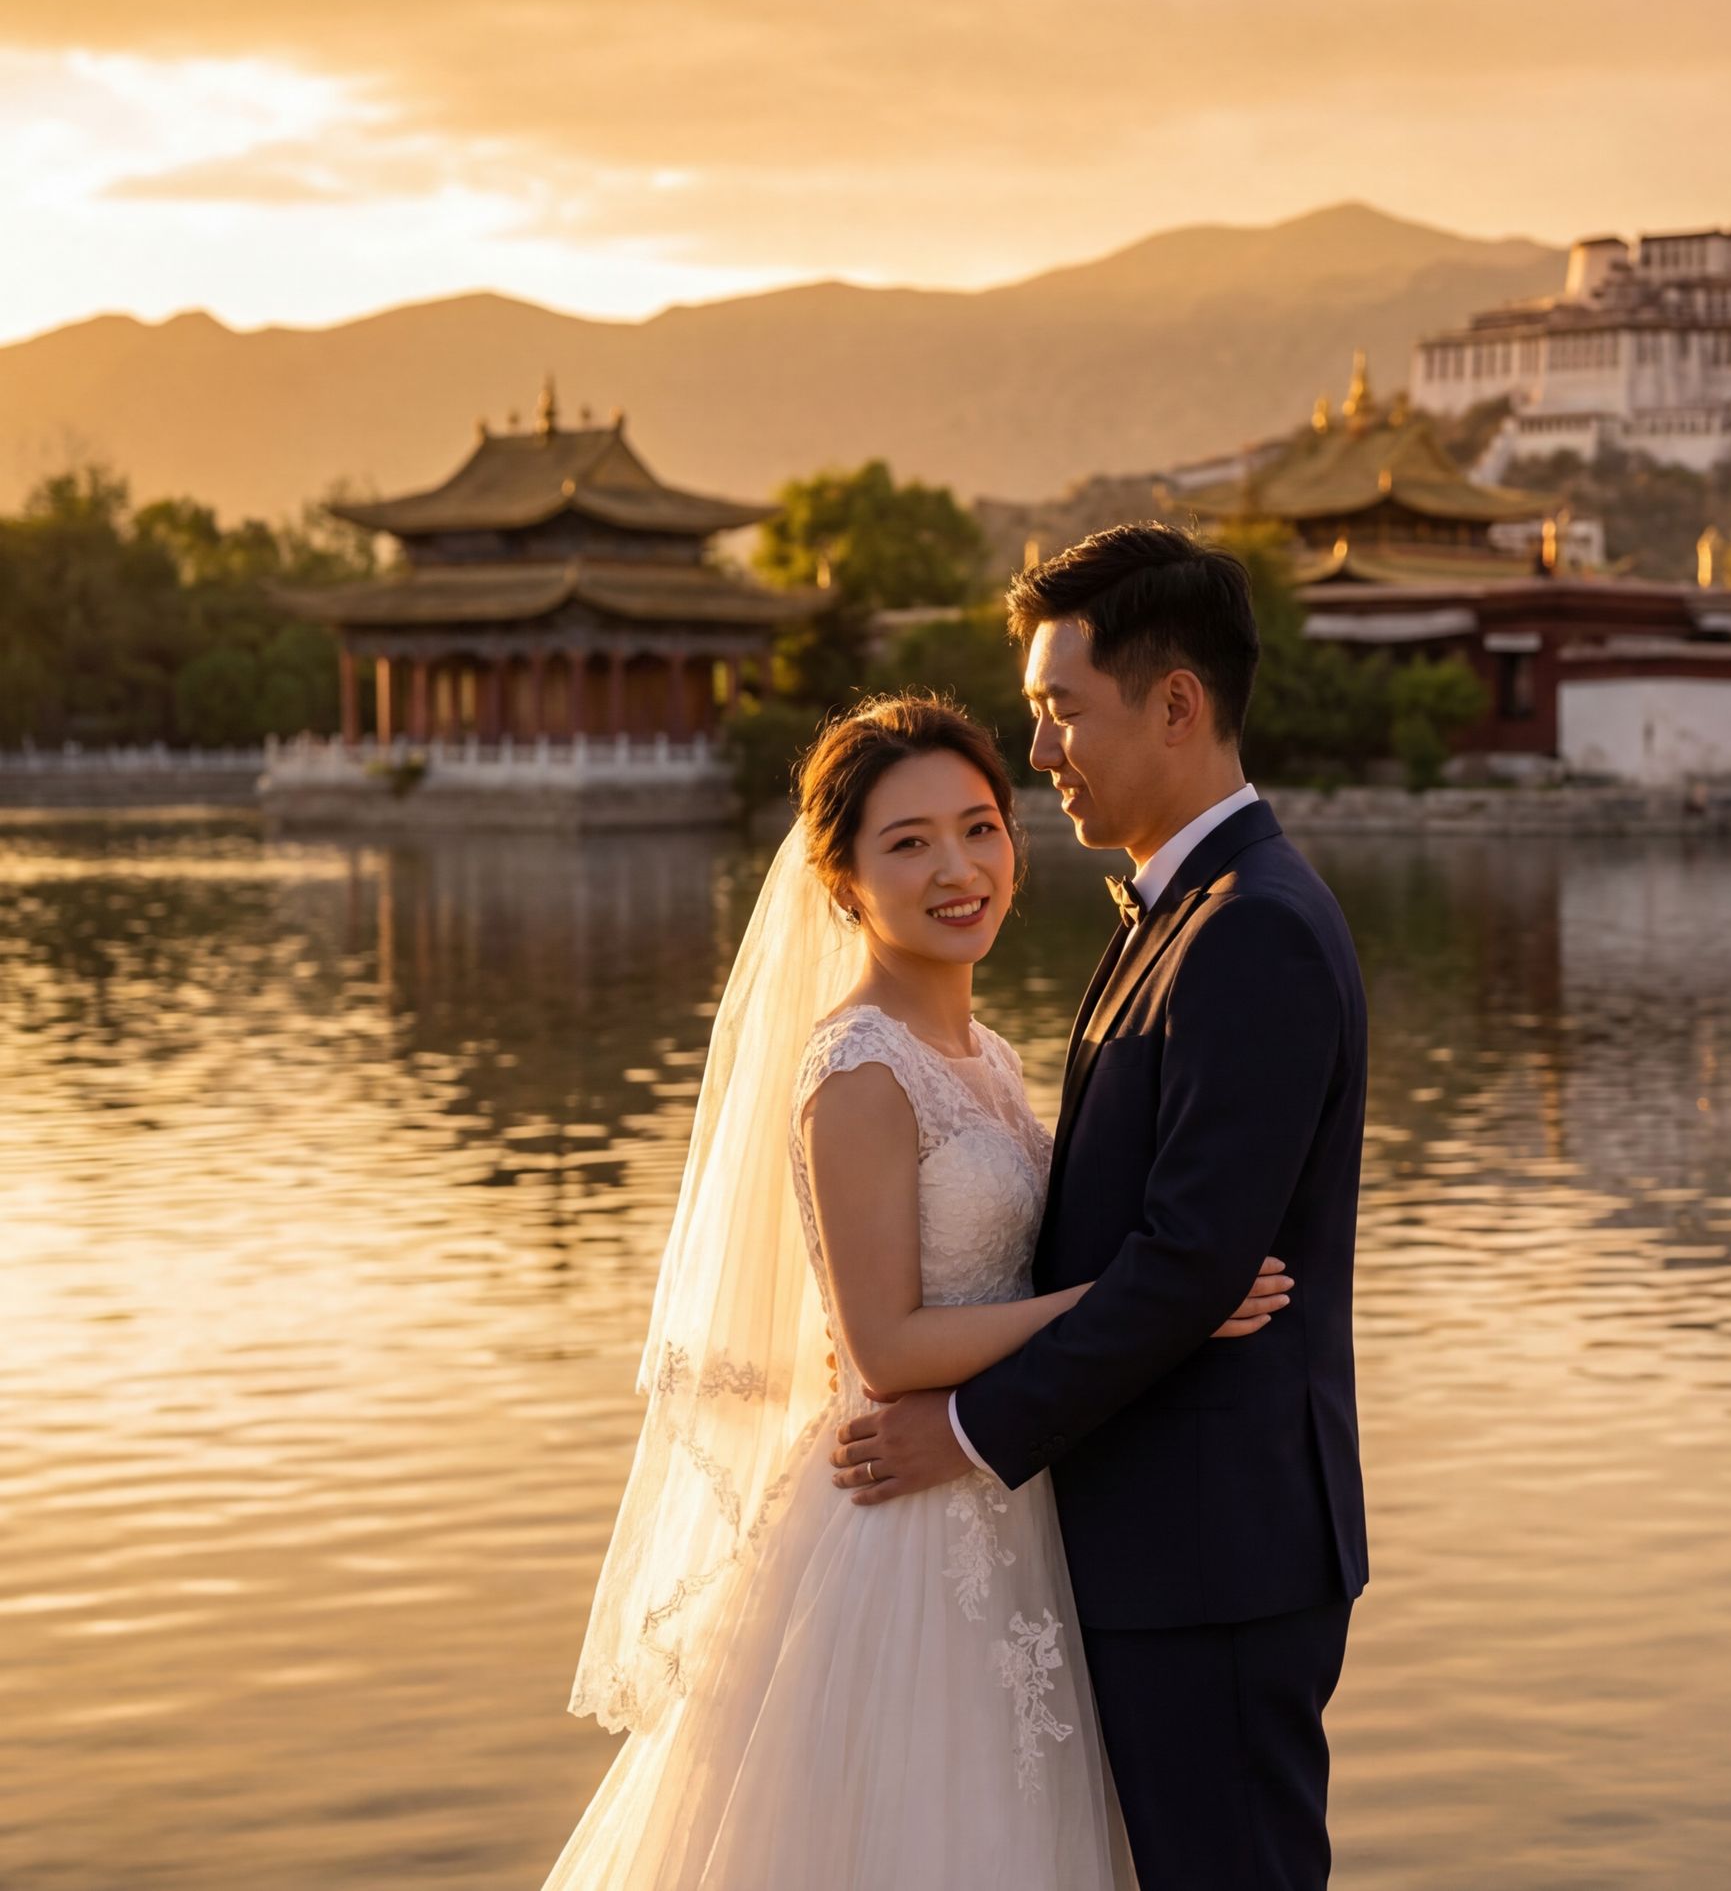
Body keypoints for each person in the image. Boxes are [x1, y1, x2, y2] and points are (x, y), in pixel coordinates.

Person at [546, 689, 1294, 1889]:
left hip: (1011, 1503)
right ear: (843, 882)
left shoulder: (984, 1055)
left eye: (981, 827)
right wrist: (1155, 1297)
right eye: (910, 844)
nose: (960, 869)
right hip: (896, 1533)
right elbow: (885, 1347)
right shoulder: (855, 1071)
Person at [829, 525, 1371, 1891]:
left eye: (1060, 711)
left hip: (1217, 1551)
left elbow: (1194, 1263)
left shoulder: (1251, 925)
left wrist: (961, 1432)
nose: (1042, 752)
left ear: (1175, 704)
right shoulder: (1167, 913)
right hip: (1145, 1542)